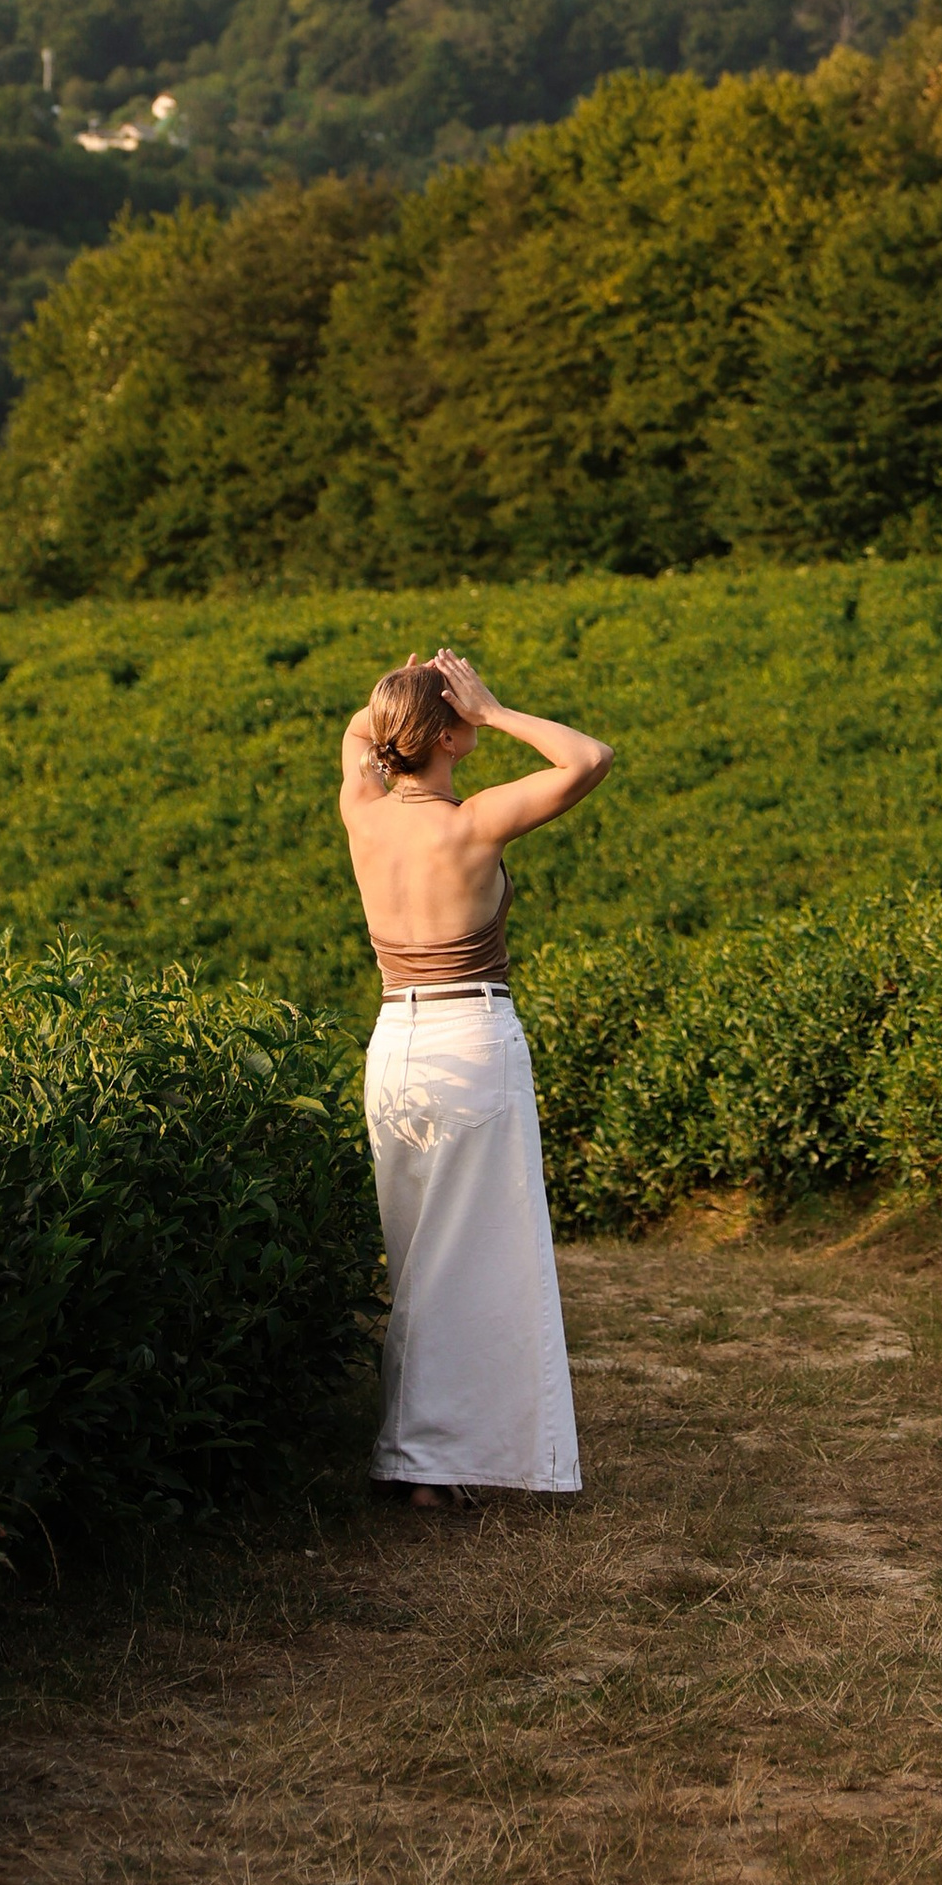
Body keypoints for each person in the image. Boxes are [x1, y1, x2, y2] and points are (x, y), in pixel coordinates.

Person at [339, 643, 613, 1510]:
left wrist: (398, 692)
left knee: (417, 1256)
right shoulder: (476, 822)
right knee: (477, 1259)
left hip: (392, 1048)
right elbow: (589, 758)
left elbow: (356, 734)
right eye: (463, 723)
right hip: (471, 1039)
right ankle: (429, 1464)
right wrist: (492, 706)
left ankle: (422, 1457)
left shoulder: (364, 813)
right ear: (452, 737)